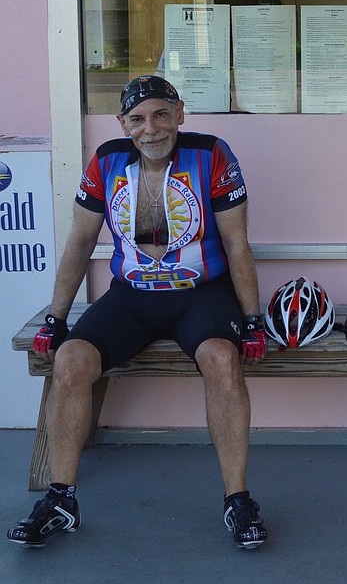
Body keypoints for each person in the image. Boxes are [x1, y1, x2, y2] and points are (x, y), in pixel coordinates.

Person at [7, 75, 269, 550]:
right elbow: (80, 242)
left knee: (222, 360)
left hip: (201, 294)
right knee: (70, 361)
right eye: (138, 119)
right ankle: (60, 498)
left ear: (180, 114)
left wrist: (252, 321)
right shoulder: (107, 161)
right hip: (132, 295)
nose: (151, 129)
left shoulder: (212, 154)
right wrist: (56, 318)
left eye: (161, 115)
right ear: (123, 124)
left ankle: (238, 499)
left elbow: (236, 243)